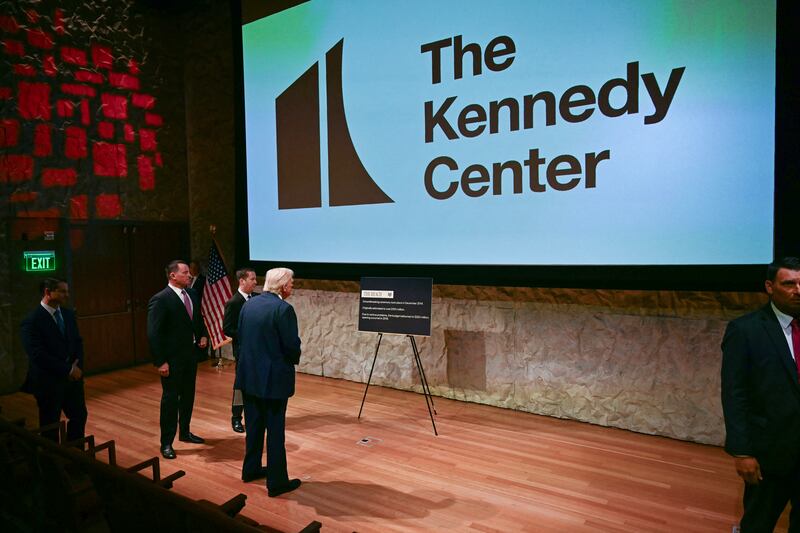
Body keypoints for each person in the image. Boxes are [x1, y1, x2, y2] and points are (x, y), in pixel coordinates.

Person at [721, 256, 800, 532]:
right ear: (770, 286)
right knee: (758, 525)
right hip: (771, 455)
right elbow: (734, 394)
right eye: (789, 283)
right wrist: (742, 452)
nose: (798, 290)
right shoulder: (745, 330)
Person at [235, 267, 302, 496]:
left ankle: (250, 469)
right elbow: (291, 347)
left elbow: (242, 339)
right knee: (275, 432)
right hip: (273, 381)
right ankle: (277, 482)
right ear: (283, 285)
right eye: (291, 283)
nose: (292, 286)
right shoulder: (283, 310)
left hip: (249, 377)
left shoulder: (248, 304)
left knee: (253, 428)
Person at [147, 260, 208, 459]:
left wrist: (203, 334)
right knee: (171, 400)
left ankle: (185, 432)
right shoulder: (160, 299)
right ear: (173, 275)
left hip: (190, 356)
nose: (189, 275)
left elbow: (197, 318)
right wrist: (160, 361)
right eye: (185, 272)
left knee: (188, 396)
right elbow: (154, 333)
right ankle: (166, 442)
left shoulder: (191, 293)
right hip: (171, 359)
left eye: (189, 272)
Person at [20, 278, 87, 443]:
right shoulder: (32, 321)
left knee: (79, 416)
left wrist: (77, 367)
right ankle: (52, 463)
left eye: (67, 291)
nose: (67, 295)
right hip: (48, 382)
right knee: (50, 425)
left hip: (73, 381)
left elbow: (77, 342)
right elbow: (37, 355)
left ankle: (75, 457)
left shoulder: (68, 314)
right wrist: (68, 369)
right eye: (62, 291)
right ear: (48, 292)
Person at [223, 268, 258, 433]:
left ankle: (257, 415)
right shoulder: (233, 302)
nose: (256, 282)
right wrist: (247, 333)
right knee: (240, 386)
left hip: (260, 351)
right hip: (243, 352)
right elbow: (228, 329)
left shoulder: (258, 299)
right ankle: (236, 418)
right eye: (252, 279)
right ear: (242, 281)